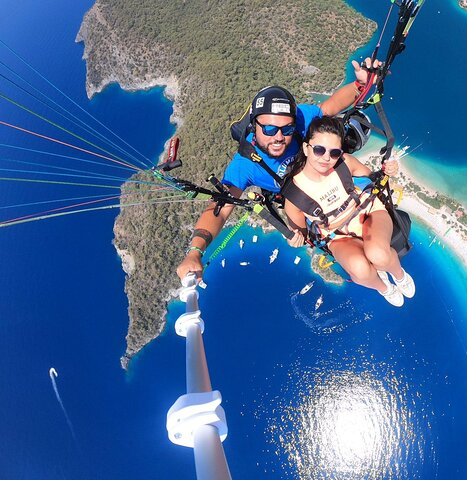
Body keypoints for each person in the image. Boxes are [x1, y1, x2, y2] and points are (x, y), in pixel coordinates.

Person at [176, 59, 380, 280]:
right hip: (308, 207)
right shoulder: (245, 165)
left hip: (333, 184)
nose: (279, 137)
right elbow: (220, 206)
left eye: (287, 129)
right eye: (270, 129)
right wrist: (195, 251)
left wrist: (360, 85)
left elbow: (330, 107)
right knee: (358, 256)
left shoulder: (299, 118)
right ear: (254, 127)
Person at [282, 116, 415, 307]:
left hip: (368, 212)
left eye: (334, 152)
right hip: (336, 235)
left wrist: (388, 169)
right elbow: (300, 233)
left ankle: (399, 276)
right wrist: (294, 239)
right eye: (319, 150)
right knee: (360, 270)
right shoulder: (295, 195)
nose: (326, 158)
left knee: (379, 255)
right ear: (306, 148)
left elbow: (373, 178)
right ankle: (385, 288)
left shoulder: (344, 163)